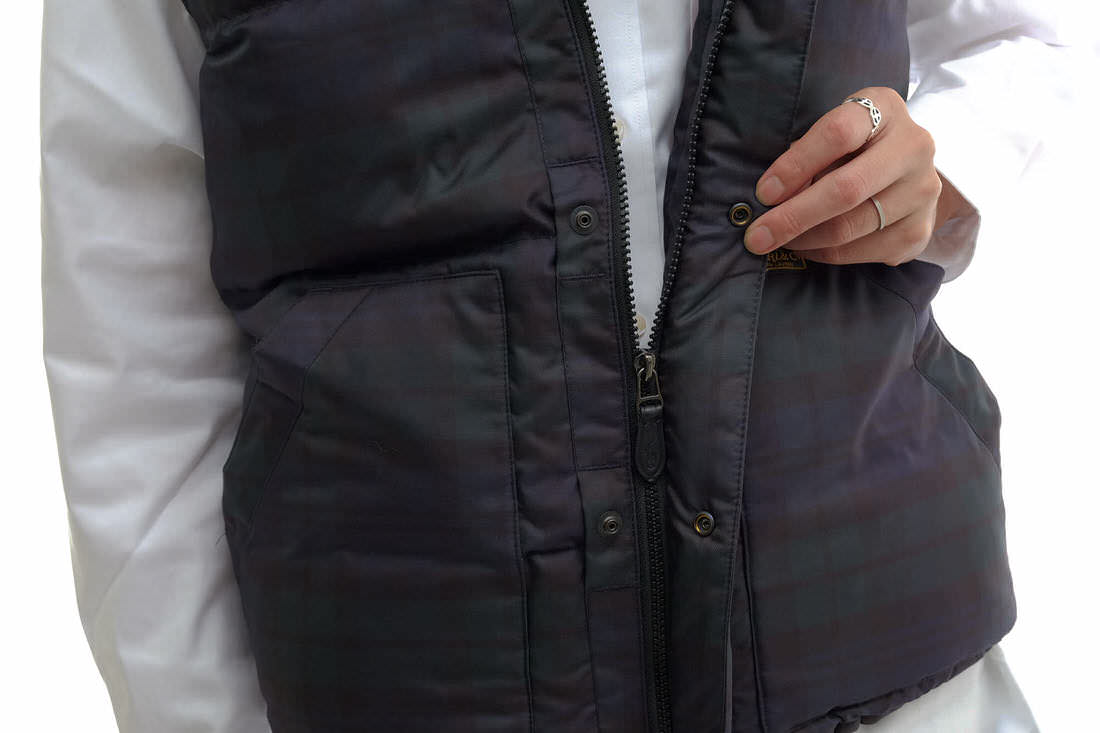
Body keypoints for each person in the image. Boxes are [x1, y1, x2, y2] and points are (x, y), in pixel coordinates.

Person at [40, 0, 1066, 730]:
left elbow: (1020, 32)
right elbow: (133, 350)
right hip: (417, 672)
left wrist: (947, 164)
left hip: (889, 655)